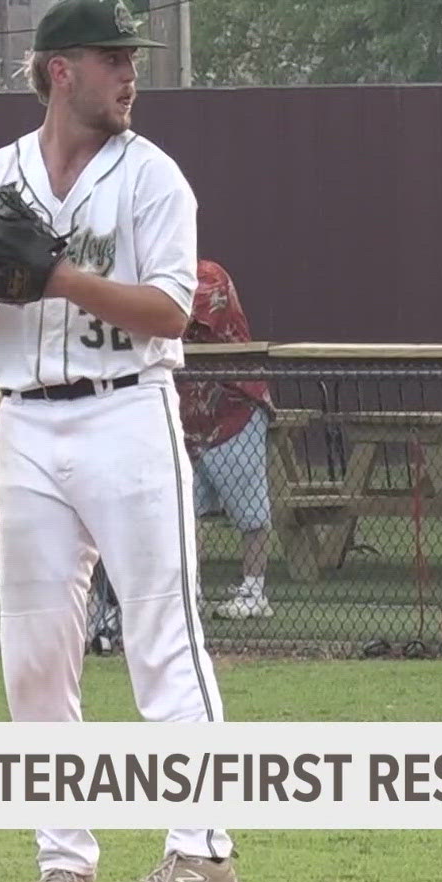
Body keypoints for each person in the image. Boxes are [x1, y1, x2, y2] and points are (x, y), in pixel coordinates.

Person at [0, 0, 242, 882]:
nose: (129, 73)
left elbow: (172, 311)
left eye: (130, 58)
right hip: (26, 420)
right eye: (112, 58)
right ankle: (63, 858)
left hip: (127, 414)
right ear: (59, 70)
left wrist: (57, 277)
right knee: (32, 651)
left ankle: (203, 855)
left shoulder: (154, 177)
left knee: (162, 634)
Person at [181, 259, 275, 619]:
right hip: (186, 415)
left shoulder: (207, 275)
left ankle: (254, 593)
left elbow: (175, 320)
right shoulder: (148, 277)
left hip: (234, 408)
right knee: (186, 511)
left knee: (250, 511)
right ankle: (192, 593)